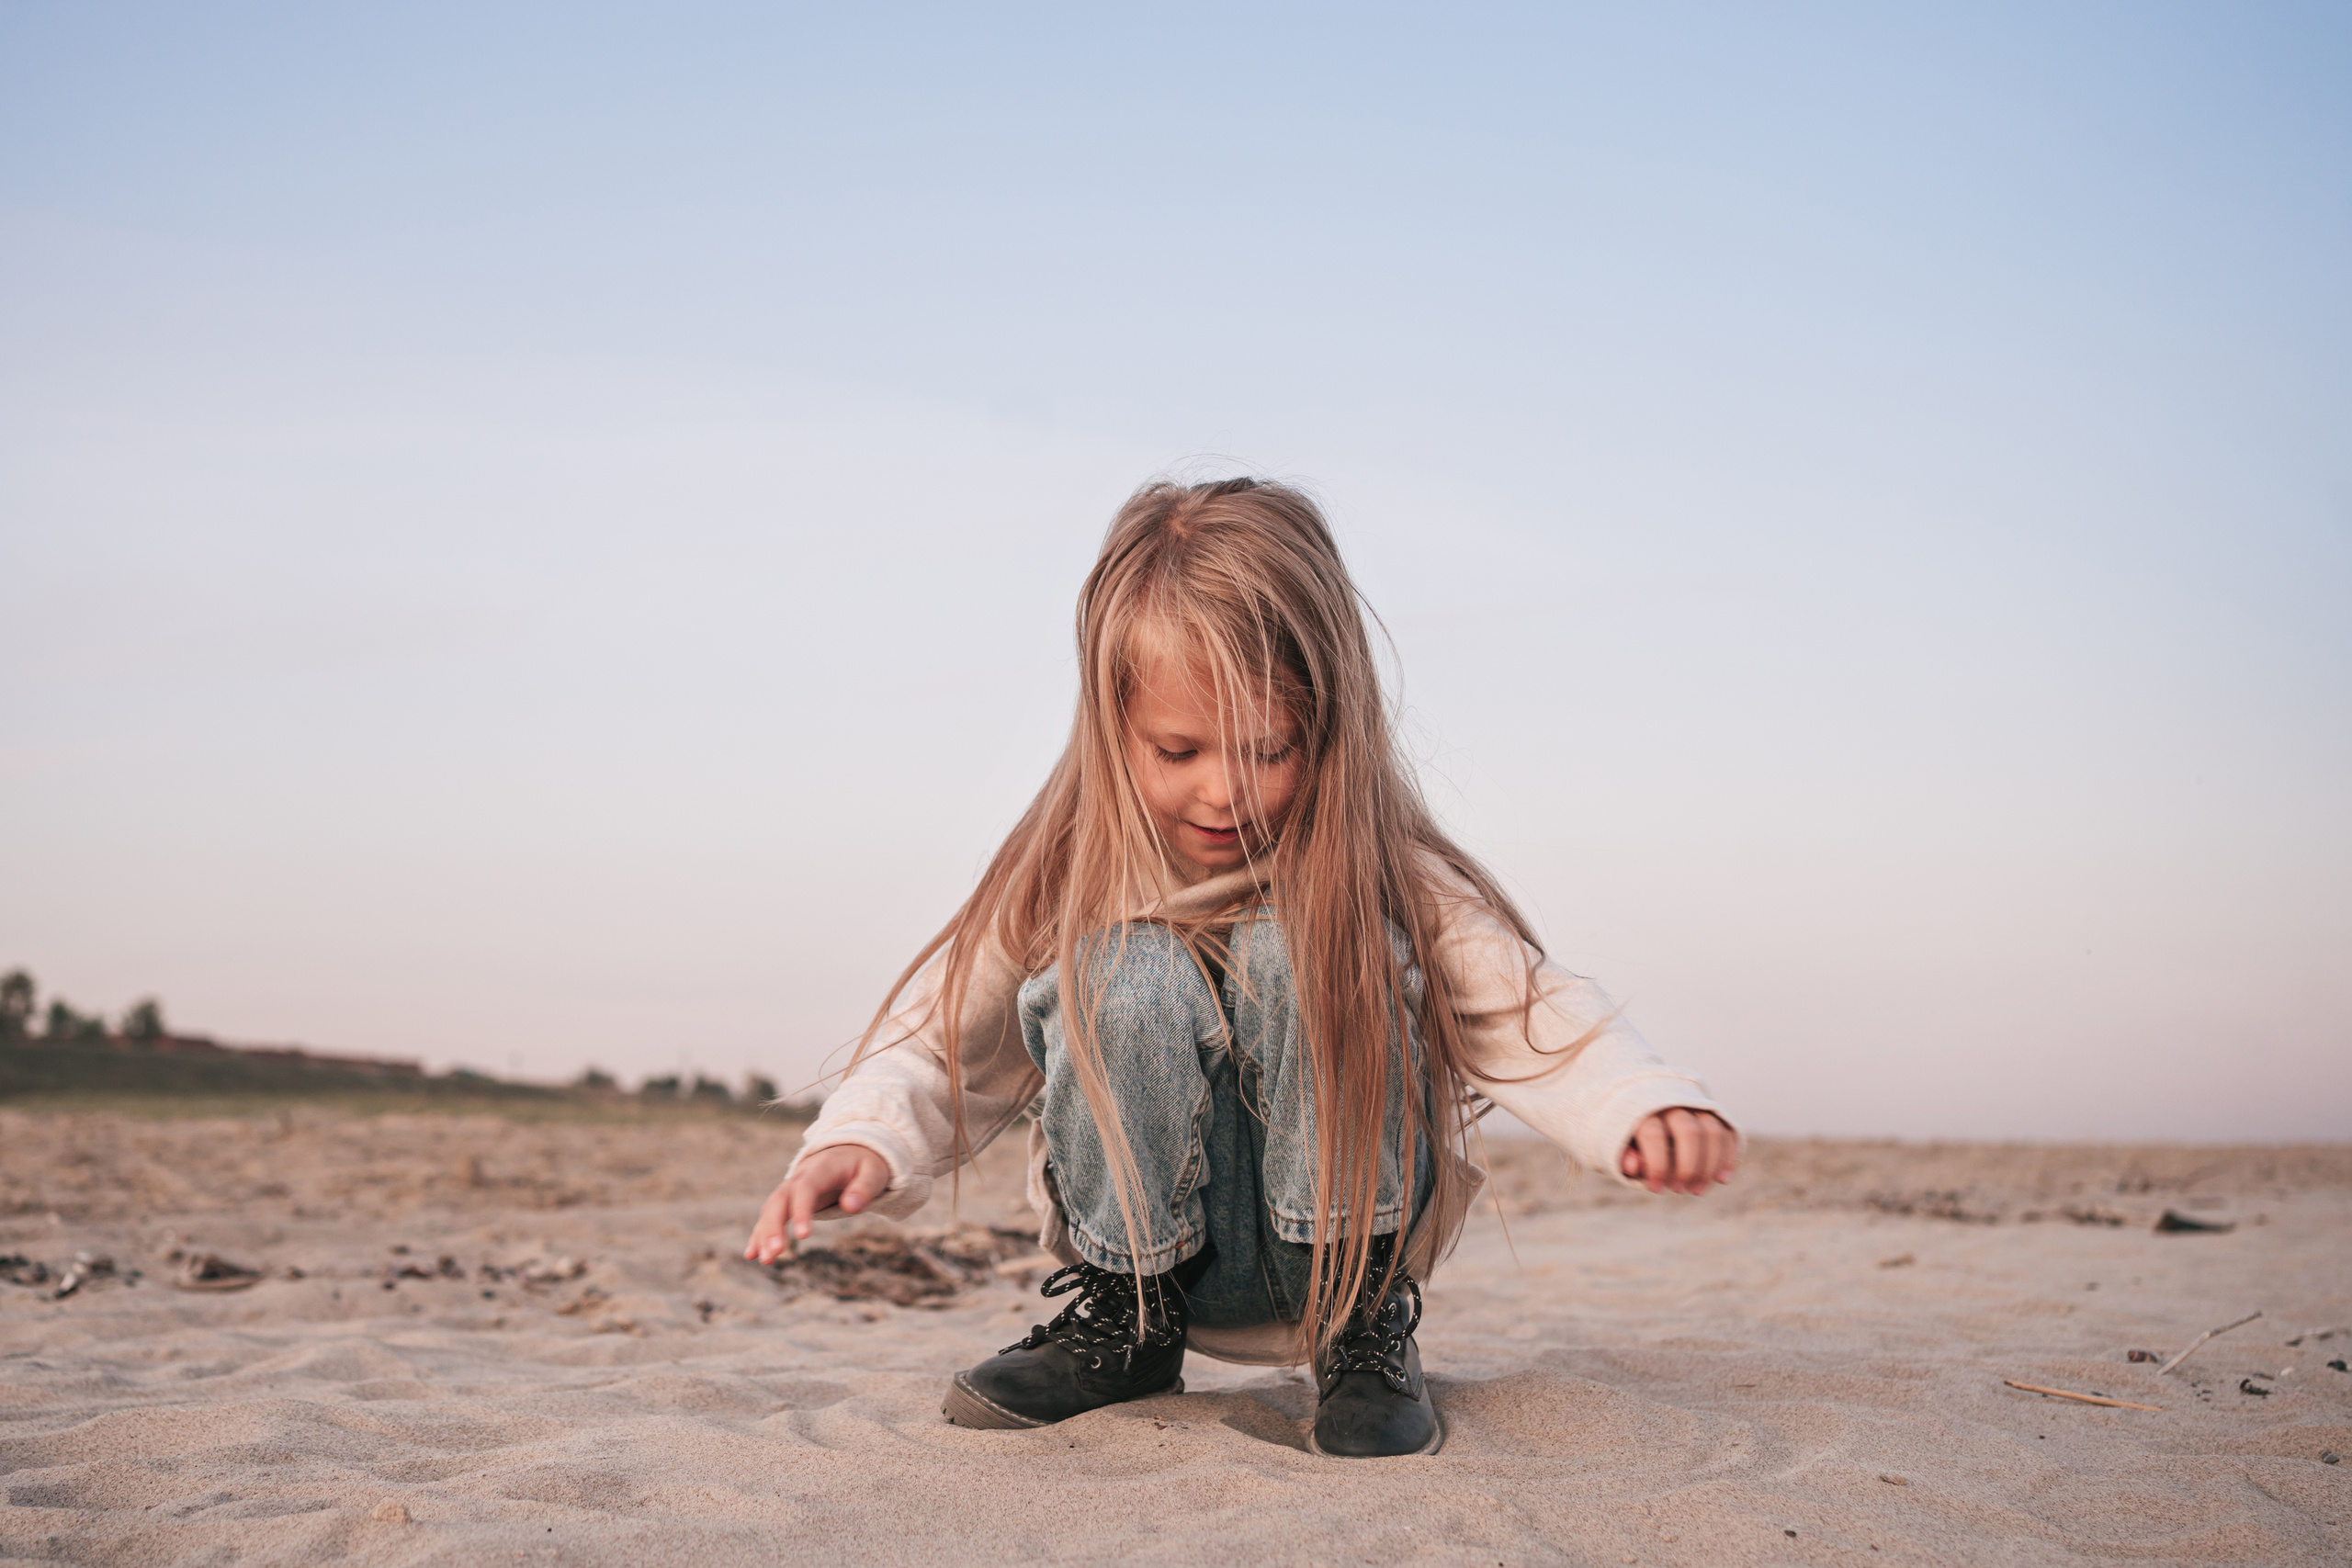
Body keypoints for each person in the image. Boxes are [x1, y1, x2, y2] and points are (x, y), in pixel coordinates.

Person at [744, 478, 1736, 1458]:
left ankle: (1362, 1339)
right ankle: (1125, 1334)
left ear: (1328, 725)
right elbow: (943, 1037)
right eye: (1177, 749)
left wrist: (1638, 1104)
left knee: (1292, 944)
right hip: (1159, 1257)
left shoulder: (1375, 860)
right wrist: (863, 1140)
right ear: (1111, 726)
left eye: (1268, 749)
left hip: (1348, 1247)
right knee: (1123, 968)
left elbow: (1518, 1004)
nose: (1224, 793)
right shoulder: (1069, 866)